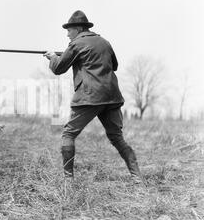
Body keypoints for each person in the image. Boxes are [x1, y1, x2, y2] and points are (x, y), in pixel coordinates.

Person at [43, 10, 143, 184]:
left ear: (79, 29)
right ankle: (137, 177)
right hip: (112, 97)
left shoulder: (76, 44)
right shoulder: (104, 42)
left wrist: (52, 57)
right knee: (117, 137)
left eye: (69, 30)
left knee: (68, 134)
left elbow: (58, 68)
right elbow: (115, 65)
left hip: (89, 97)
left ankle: (68, 181)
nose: (67, 34)